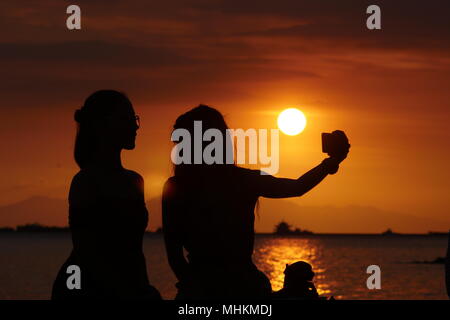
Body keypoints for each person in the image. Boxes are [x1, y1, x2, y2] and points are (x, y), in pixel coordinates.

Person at [162, 104, 350, 299]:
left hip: (200, 287)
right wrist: (332, 161)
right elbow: (297, 187)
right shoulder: (244, 180)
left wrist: (195, 288)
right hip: (246, 286)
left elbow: (175, 257)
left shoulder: (176, 187)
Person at [52, 90, 161, 300]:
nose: (135, 126)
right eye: (126, 119)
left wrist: (144, 287)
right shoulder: (85, 182)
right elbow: (86, 251)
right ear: (103, 125)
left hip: (127, 286)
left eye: (135, 119)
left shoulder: (135, 180)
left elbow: (135, 250)